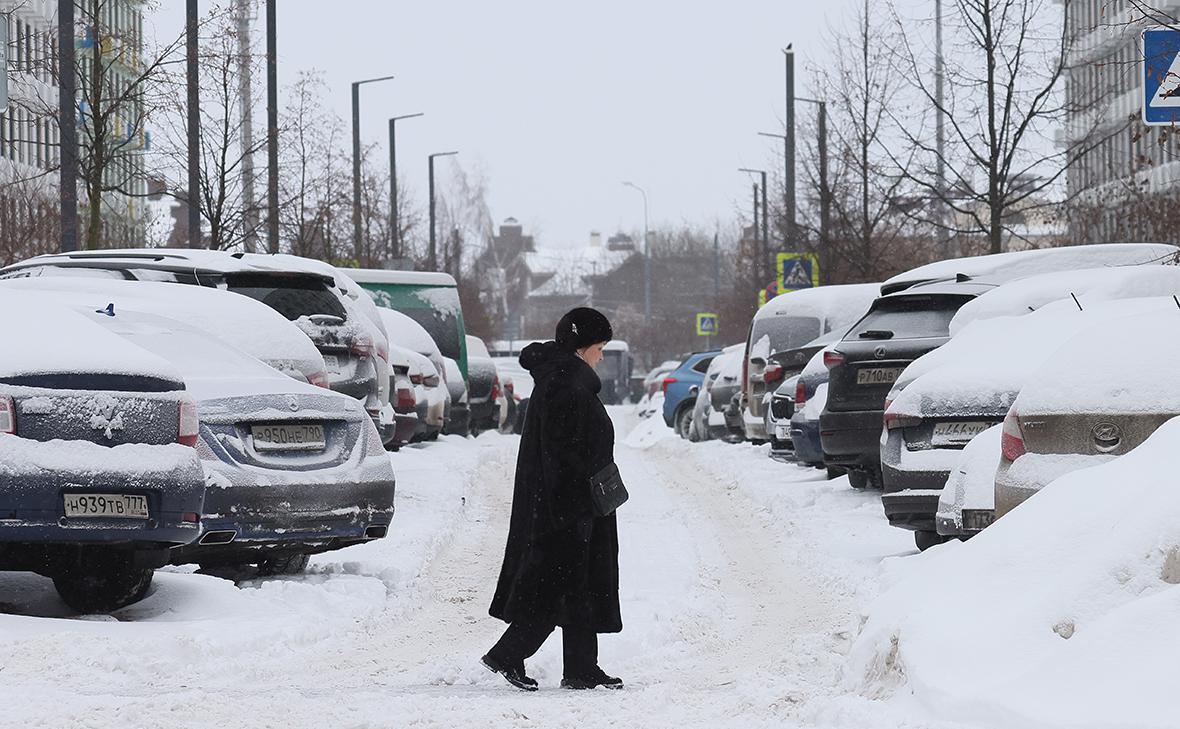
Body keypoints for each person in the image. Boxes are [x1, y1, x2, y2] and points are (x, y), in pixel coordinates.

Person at [483, 307, 623, 691]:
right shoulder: (565, 383)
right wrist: (572, 508)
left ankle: (580, 668)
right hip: (564, 505)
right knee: (554, 587)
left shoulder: (567, 378)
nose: (601, 355)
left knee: (578, 587)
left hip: (574, 501)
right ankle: (507, 654)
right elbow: (560, 454)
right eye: (599, 347)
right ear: (582, 346)